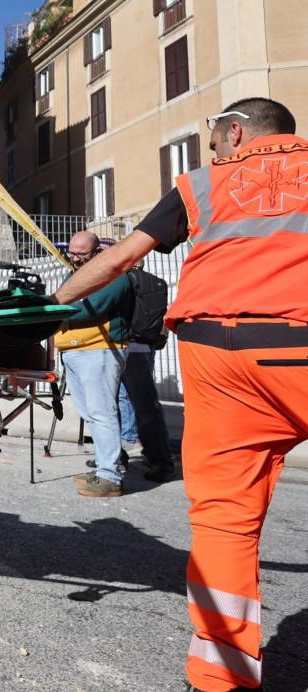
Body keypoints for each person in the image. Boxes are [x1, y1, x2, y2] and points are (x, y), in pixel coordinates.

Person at [54, 98, 308, 692]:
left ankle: (221, 678)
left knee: (224, 522)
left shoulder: (203, 185)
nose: (211, 149)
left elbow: (122, 257)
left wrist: (51, 304)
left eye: (214, 137)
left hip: (220, 356)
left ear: (236, 131)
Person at [54, 231, 133, 497]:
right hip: (76, 350)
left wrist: (52, 309)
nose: (75, 259)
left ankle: (110, 475)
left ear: (97, 252)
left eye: (81, 254)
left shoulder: (114, 276)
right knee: (91, 413)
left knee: (102, 413)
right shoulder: (76, 274)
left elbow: (91, 308)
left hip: (100, 350)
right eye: (72, 253)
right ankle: (105, 466)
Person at [119, 263, 177, 483]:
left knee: (116, 404)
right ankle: (159, 460)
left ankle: (120, 459)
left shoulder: (119, 280)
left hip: (121, 347)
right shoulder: (155, 281)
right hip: (143, 346)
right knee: (146, 406)